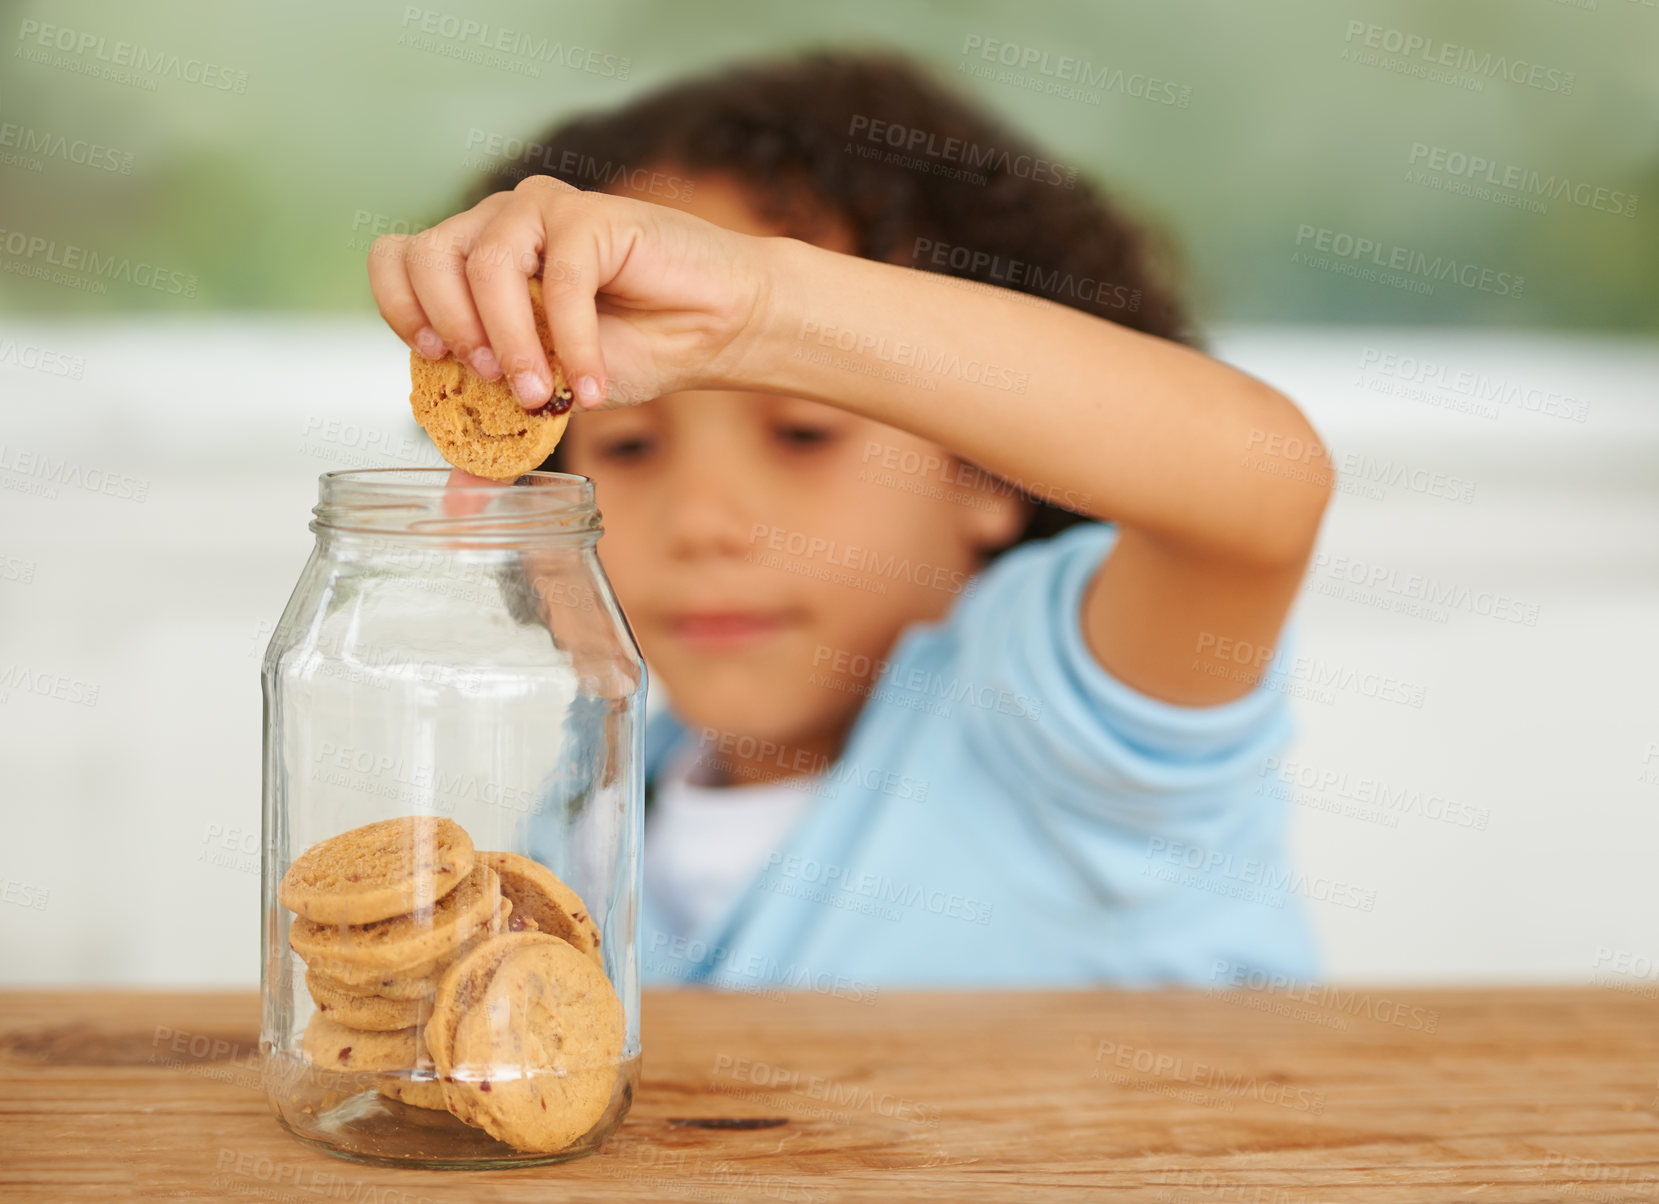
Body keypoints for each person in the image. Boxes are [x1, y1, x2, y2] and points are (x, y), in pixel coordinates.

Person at [366, 53, 1334, 991]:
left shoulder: (1067, 718)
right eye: (626, 449)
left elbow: (1261, 485)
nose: (702, 524)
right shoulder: (592, 809)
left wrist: (764, 315)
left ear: (992, 469)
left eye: (801, 431)